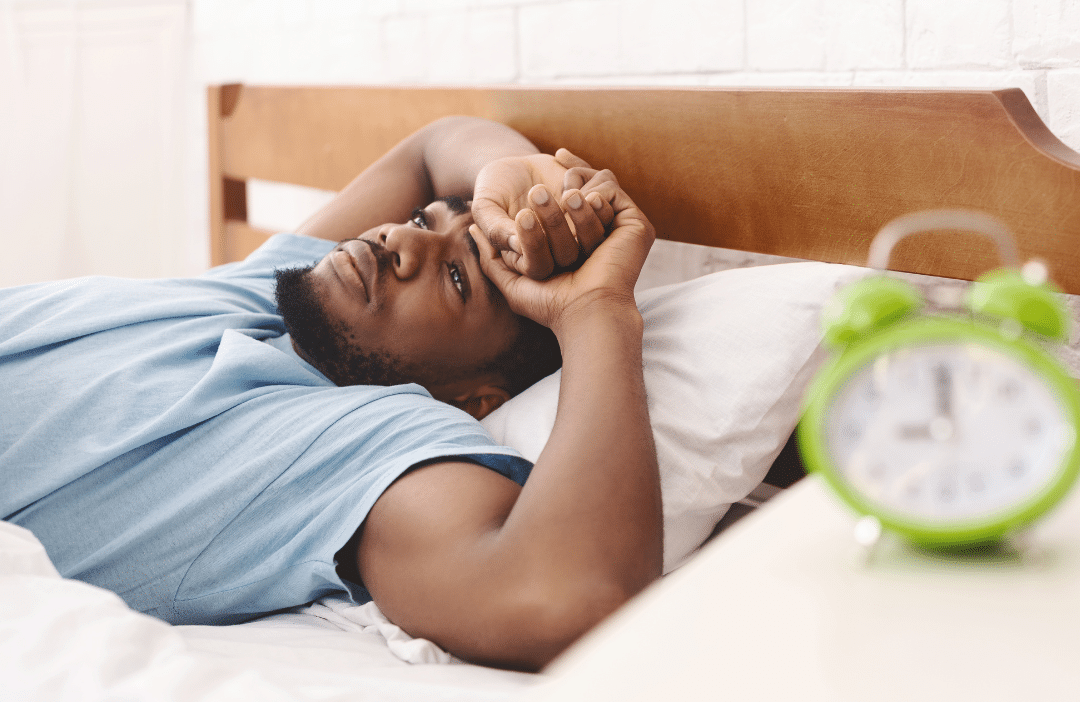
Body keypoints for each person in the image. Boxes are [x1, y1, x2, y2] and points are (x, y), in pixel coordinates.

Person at [0, 116, 661, 671]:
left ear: (476, 399)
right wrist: (510, 170)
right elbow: (433, 152)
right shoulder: (269, 293)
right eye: (422, 221)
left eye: (458, 279)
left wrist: (597, 313)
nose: (400, 240)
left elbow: (562, 595)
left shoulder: (364, 443)